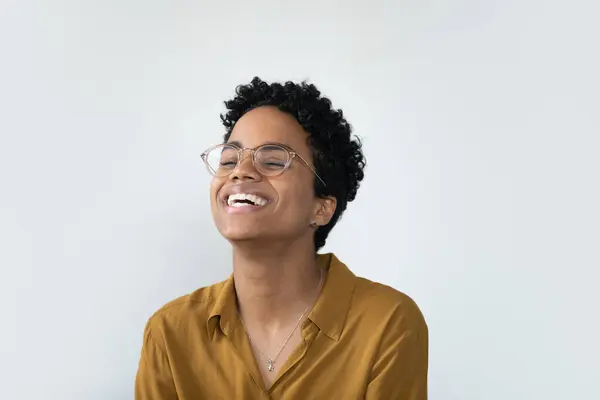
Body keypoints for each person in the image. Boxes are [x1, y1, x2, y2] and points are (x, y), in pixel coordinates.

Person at [135, 77, 428, 399]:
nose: (240, 172)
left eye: (273, 161)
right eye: (229, 160)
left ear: (322, 208)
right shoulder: (170, 331)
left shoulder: (386, 322)